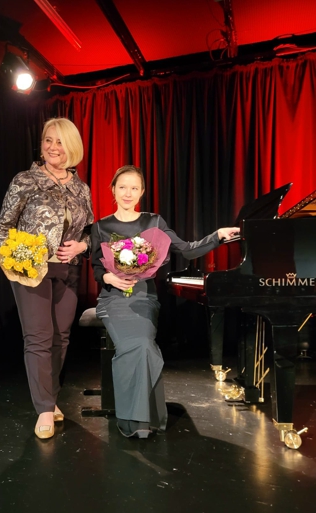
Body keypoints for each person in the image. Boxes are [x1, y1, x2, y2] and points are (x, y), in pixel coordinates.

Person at [91, 165, 240, 438]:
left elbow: (187, 249)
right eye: (122, 187)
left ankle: (140, 418)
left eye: (134, 188)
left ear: (142, 192)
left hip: (143, 298)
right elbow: (97, 269)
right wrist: (110, 278)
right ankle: (136, 418)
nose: (128, 193)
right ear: (113, 189)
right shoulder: (101, 226)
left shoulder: (154, 222)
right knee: (134, 346)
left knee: (144, 344)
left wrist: (217, 236)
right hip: (113, 299)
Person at [0, 118, 94, 440]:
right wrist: (12, 261)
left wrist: (81, 246)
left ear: (72, 147)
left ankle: (50, 399)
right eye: (48, 140)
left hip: (69, 270)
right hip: (30, 270)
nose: (52, 147)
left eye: (60, 141)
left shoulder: (81, 188)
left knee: (60, 338)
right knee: (38, 337)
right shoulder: (26, 180)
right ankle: (44, 409)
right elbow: (4, 225)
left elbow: (90, 232)